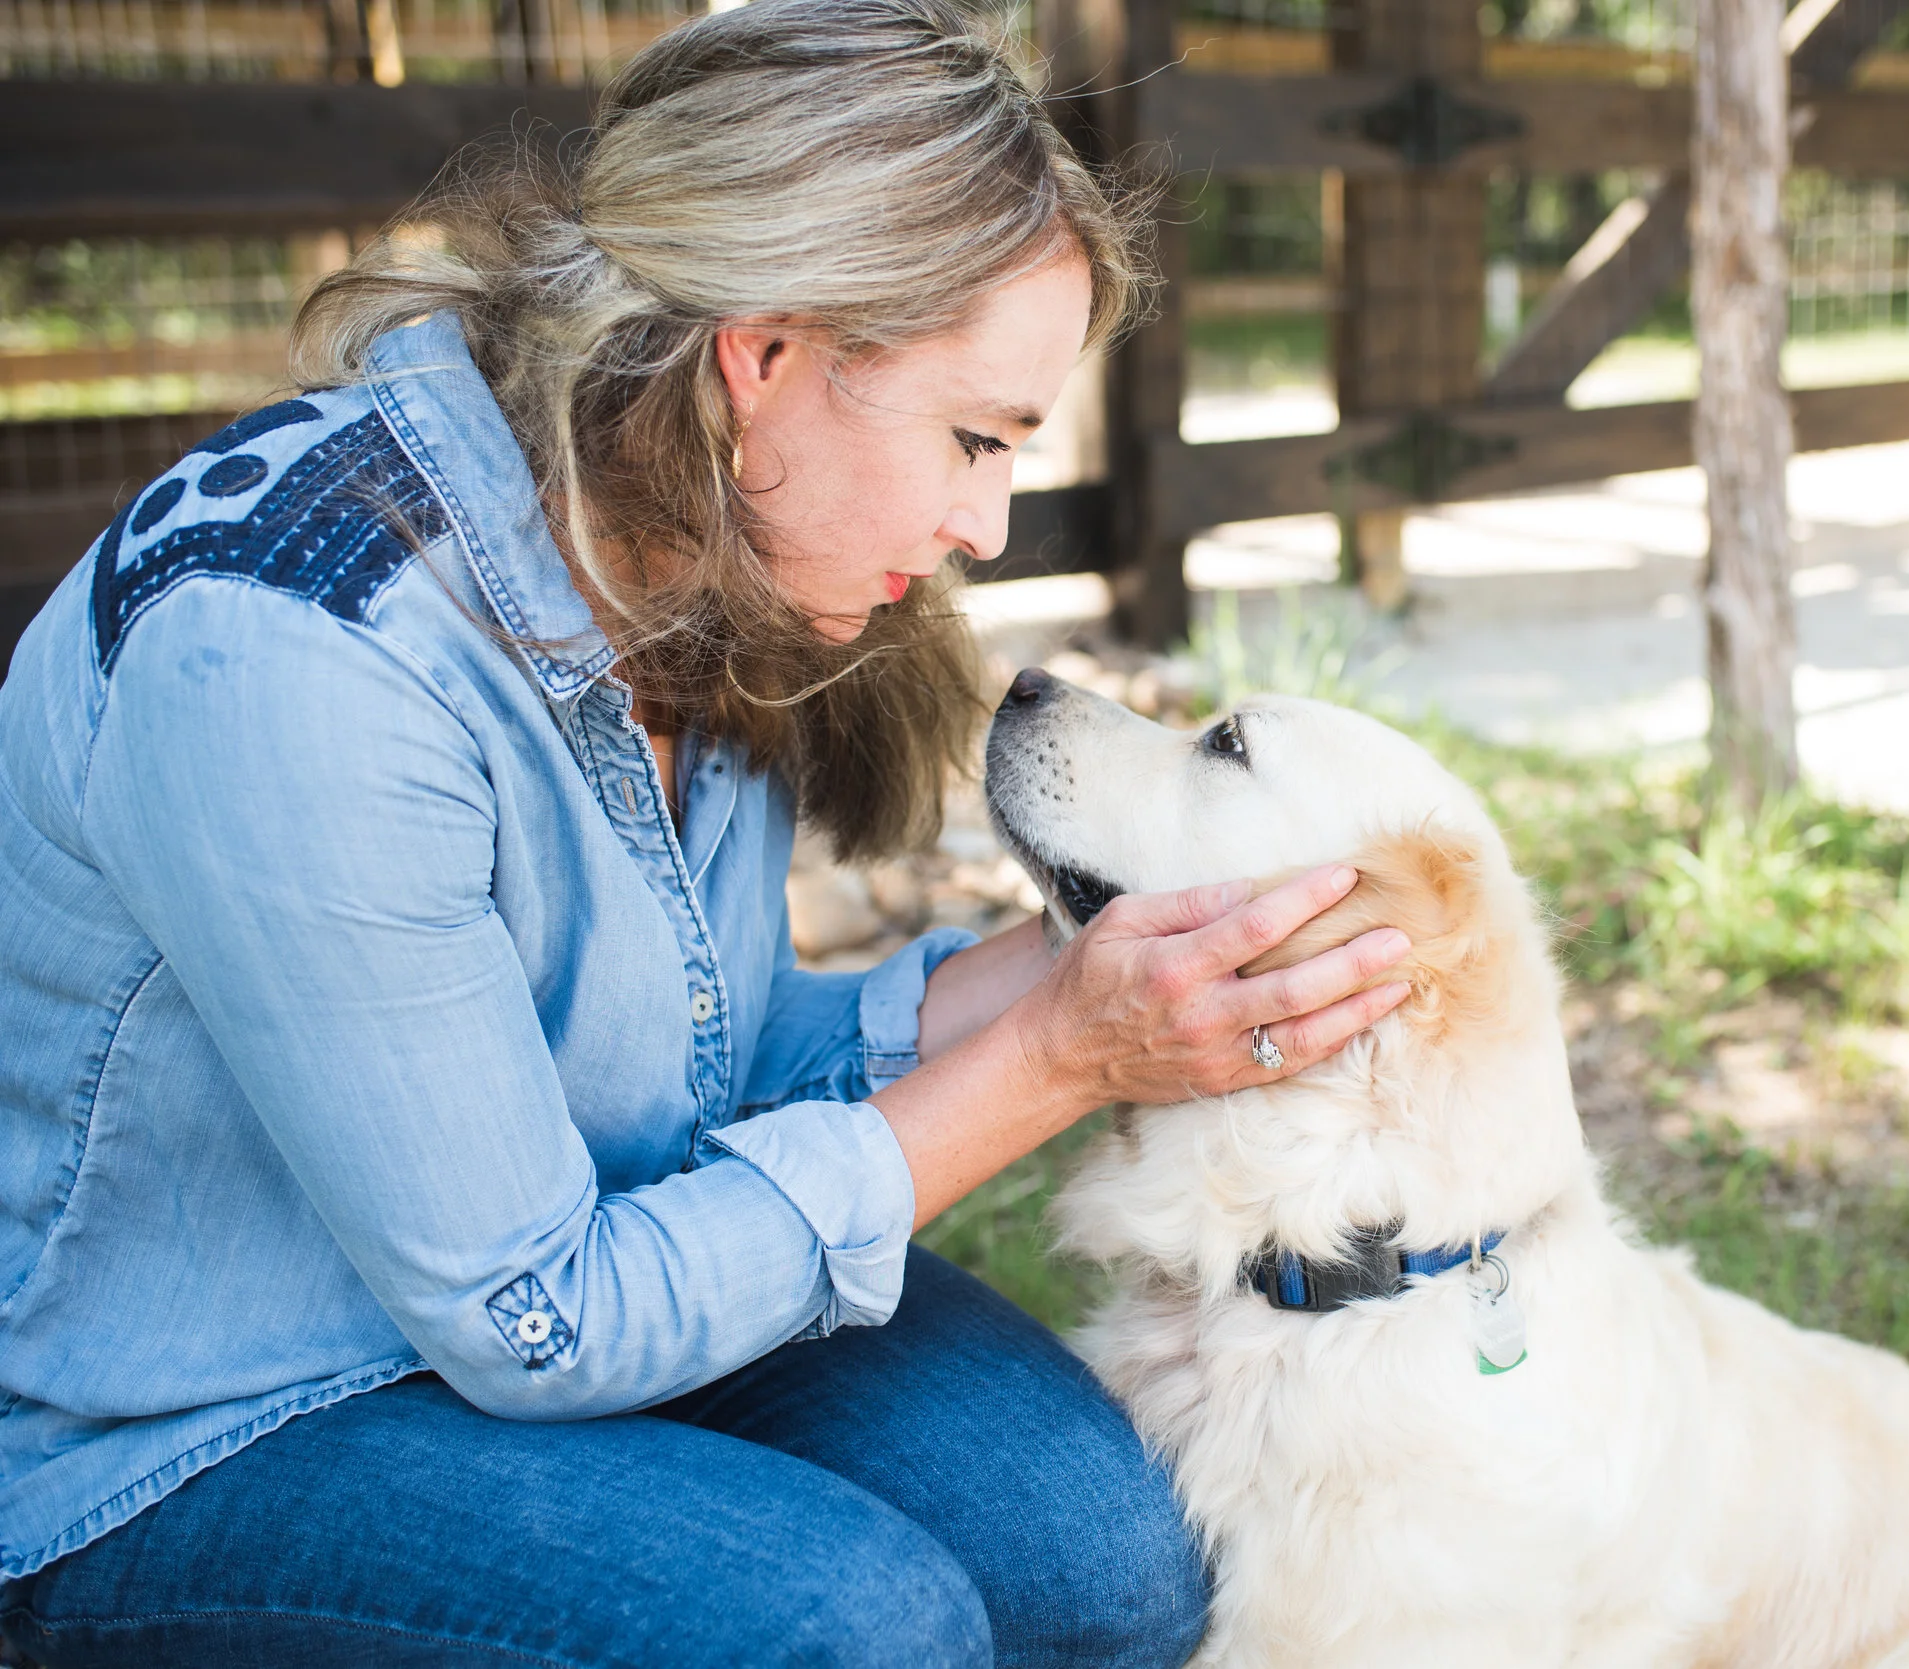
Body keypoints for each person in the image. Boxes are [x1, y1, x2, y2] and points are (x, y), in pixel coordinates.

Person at [0, 2, 1414, 1662]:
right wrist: (1056, 1061)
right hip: (203, 1423)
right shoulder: (300, 665)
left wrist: (1092, 970)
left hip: (583, 1249)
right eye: (976, 438)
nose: (988, 523)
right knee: (854, 1631)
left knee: (1098, 1562)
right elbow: (544, 1318)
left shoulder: (701, 552)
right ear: (765, 359)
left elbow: (687, 1055)